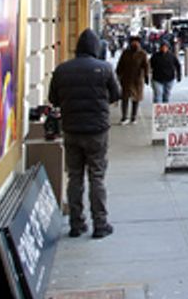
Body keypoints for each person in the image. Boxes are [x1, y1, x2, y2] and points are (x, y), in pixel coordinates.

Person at [48, 28, 121, 239]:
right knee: (97, 176)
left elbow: (54, 99)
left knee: (75, 177)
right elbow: (116, 94)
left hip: (71, 129)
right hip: (97, 131)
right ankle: (100, 223)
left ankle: (76, 223)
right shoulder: (104, 69)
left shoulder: (62, 70)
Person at [114, 36, 149, 124]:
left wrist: (146, 76)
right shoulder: (125, 53)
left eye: (136, 42)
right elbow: (120, 64)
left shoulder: (142, 54)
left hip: (137, 80)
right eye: (133, 42)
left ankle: (134, 117)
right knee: (125, 98)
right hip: (126, 79)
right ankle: (124, 117)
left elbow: (146, 66)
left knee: (136, 99)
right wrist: (118, 74)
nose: (134, 43)